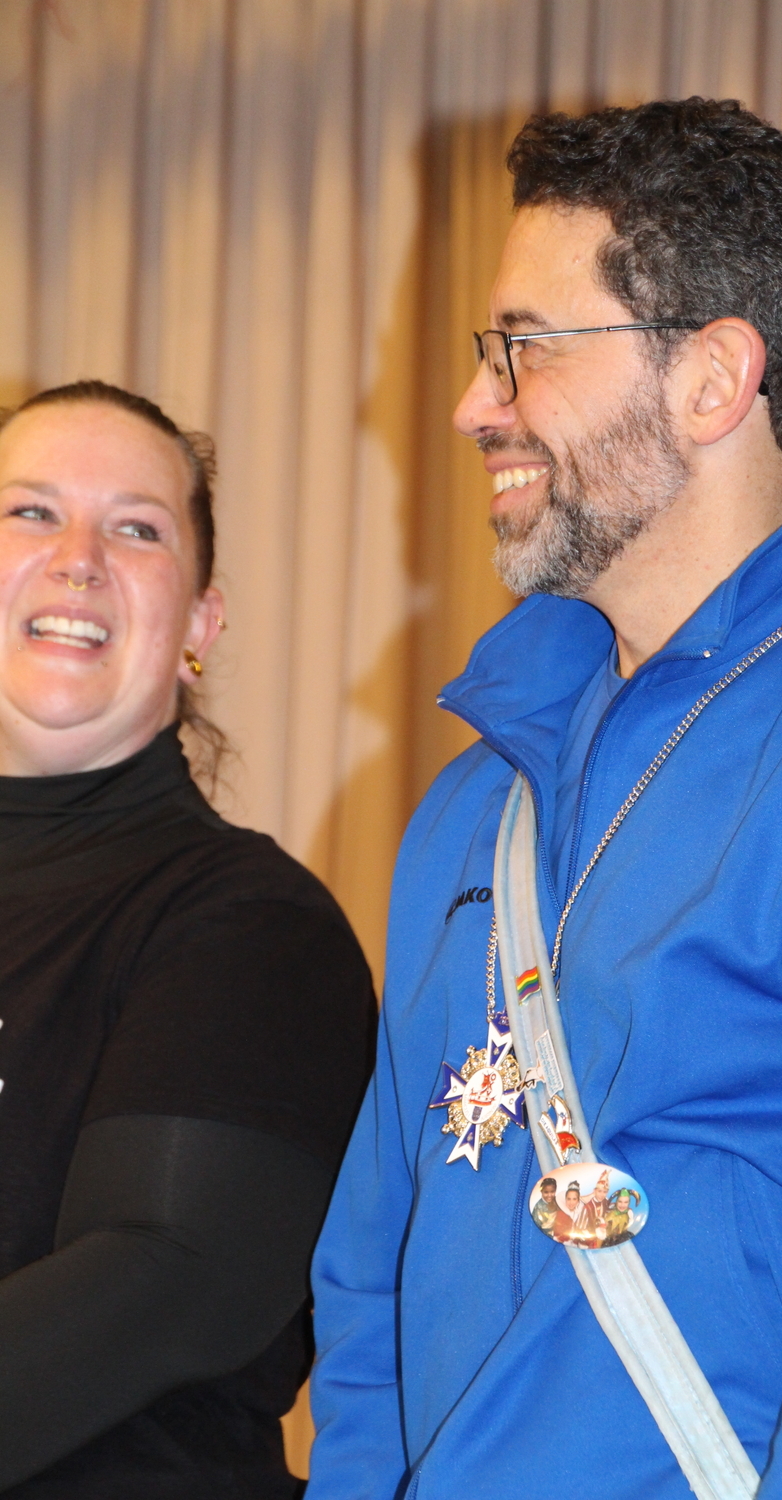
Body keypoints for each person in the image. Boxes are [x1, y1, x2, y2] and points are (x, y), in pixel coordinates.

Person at [307, 99, 782, 1497]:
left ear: (712, 379)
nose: (474, 404)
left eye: (526, 348)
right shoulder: (473, 799)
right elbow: (372, 1283)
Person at [0, 381, 376, 1497]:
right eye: (31, 512)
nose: (77, 559)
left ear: (200, 626)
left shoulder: (255, 928)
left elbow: (166, 1279)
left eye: (136, 529)